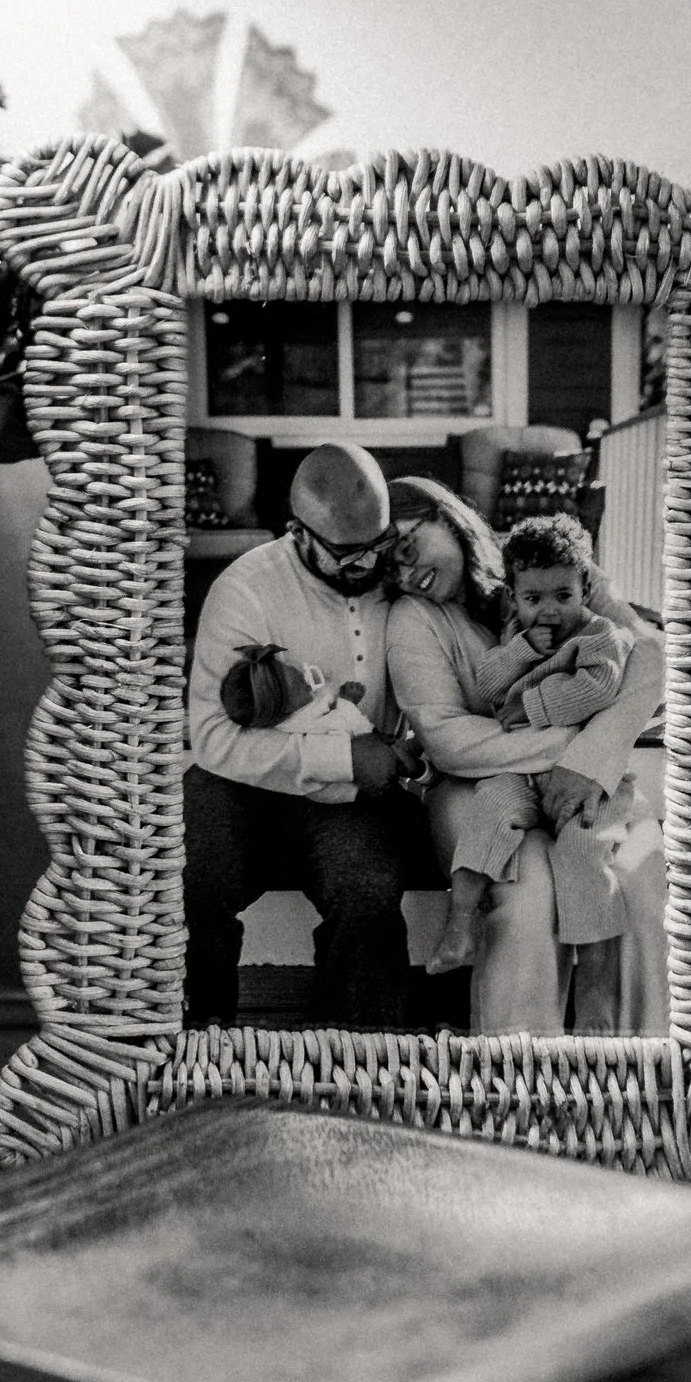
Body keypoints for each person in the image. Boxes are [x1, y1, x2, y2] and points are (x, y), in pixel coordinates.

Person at [385, 473, 668, 1036]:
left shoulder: (548, 567)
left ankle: (638, 1073)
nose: (406, 575)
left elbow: (650, 657)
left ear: (444, 516)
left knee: (637, 876)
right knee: (526, 890)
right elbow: (448, 740)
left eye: (408, 548)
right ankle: (519, 1084)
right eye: (389, 569)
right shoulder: (412, 619)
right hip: (479, 790)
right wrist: (570, 748)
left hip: (595, 779)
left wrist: (593, 758)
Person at [183, 442, 439, 1032]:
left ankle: (353, 1065)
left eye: (378, 546)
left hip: (359, 792)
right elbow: (214, 740)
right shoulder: (244, 589)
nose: (369, 568)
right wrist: (343, 756)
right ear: (298, 533)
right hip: (240, 785)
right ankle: (197, 1040)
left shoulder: (402, 578)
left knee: (367, 894)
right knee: (189, 875)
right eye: (346, 557)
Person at [422, 514, 632, 981]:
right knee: (488, 811)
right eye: (534, 599)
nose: (551, 611)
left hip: (585, 777)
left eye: (564, 596)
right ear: (514, 596)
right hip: (521, 774)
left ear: (585, 590)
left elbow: (598, 689)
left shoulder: (599, 635)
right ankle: (459, 927)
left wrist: (533, 705)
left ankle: (596, 978)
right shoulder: (516, 635)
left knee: (585, 855)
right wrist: (521, 651)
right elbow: (490, 683)